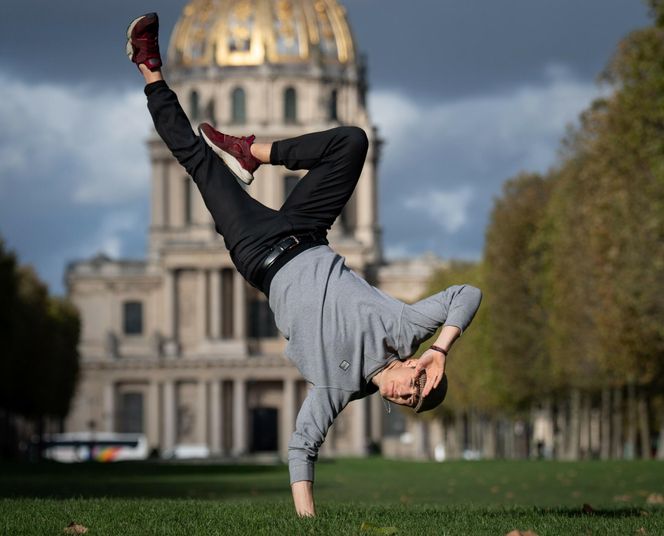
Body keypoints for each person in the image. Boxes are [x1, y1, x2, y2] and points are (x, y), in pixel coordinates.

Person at [127, 13, 482, 516]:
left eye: (411, 401)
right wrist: (441, 350)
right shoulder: (406, 330)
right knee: (352, 141)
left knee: (196, 159)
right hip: (308, 231)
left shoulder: (338, 387)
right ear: (414, 364)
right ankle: (253, 151)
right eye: (419, 386)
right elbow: (466, 294)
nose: (410, 393)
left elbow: (302, 450)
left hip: (260, 251)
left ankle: (149, 68)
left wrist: (307, 524)